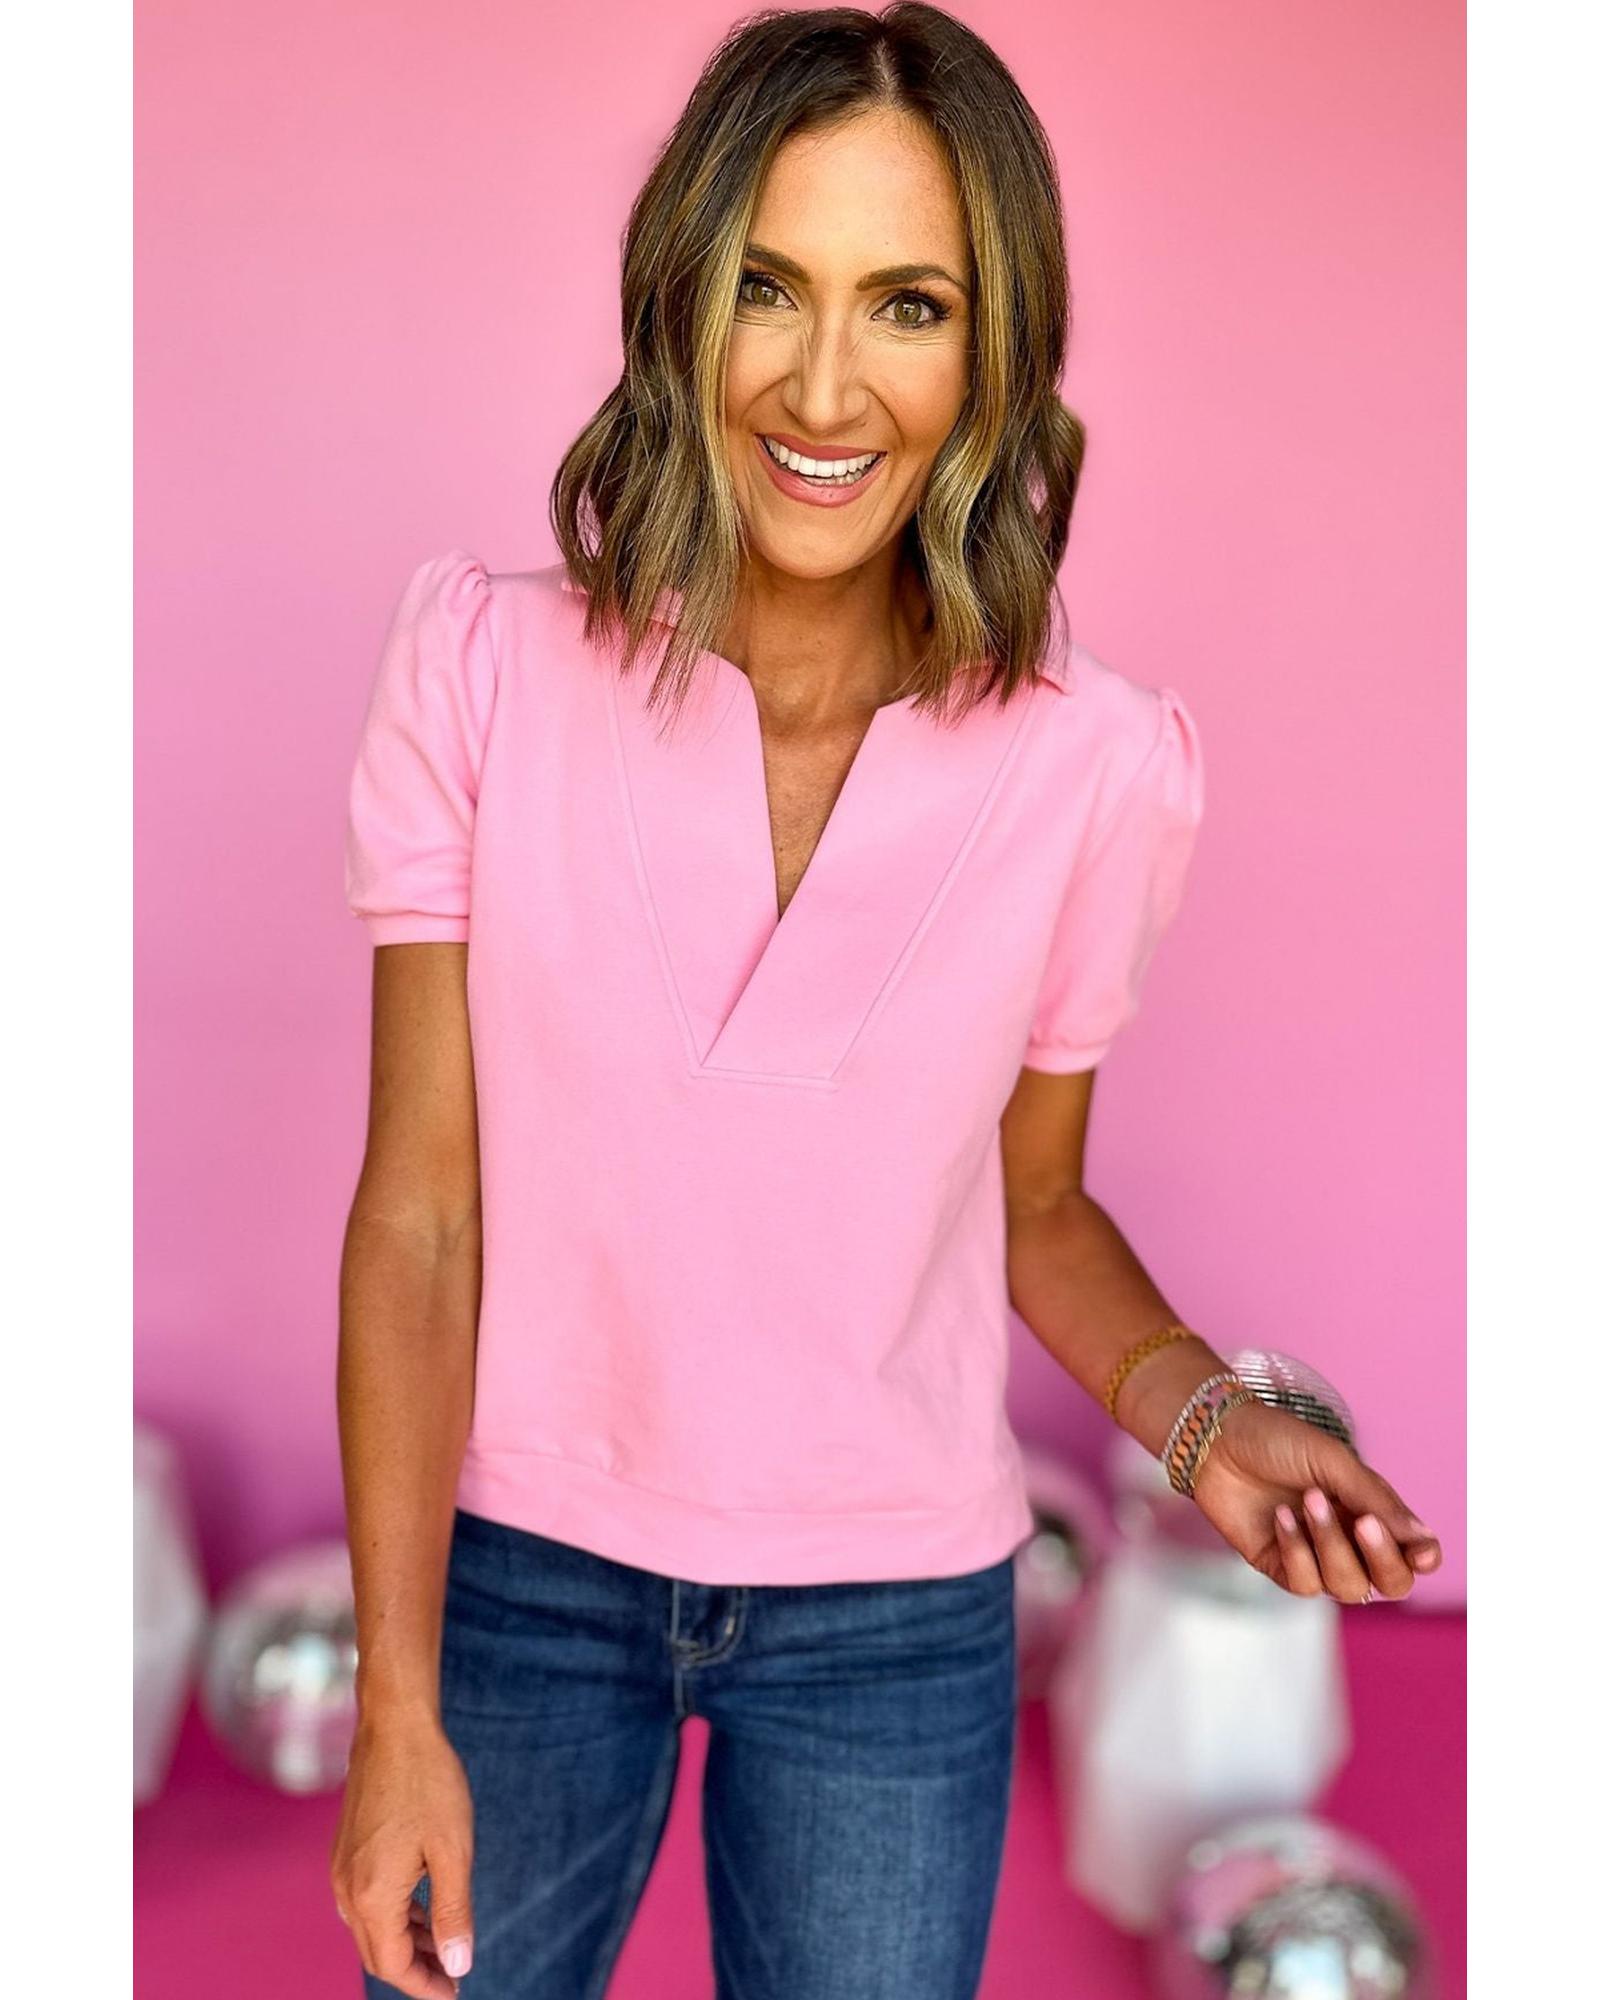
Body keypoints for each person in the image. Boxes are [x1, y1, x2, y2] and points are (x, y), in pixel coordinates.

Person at [328, 7, 1444, 1996]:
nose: (823, 385)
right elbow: (421, 1216)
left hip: (893, 1620)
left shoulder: (1097, 765)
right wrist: (396, 1705)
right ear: (681, 298)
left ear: (994, 355)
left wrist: (1208, 1426)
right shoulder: (483, 673)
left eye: (908, 305)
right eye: (768, 286)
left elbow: (1034, 1204)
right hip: (511, 1581)